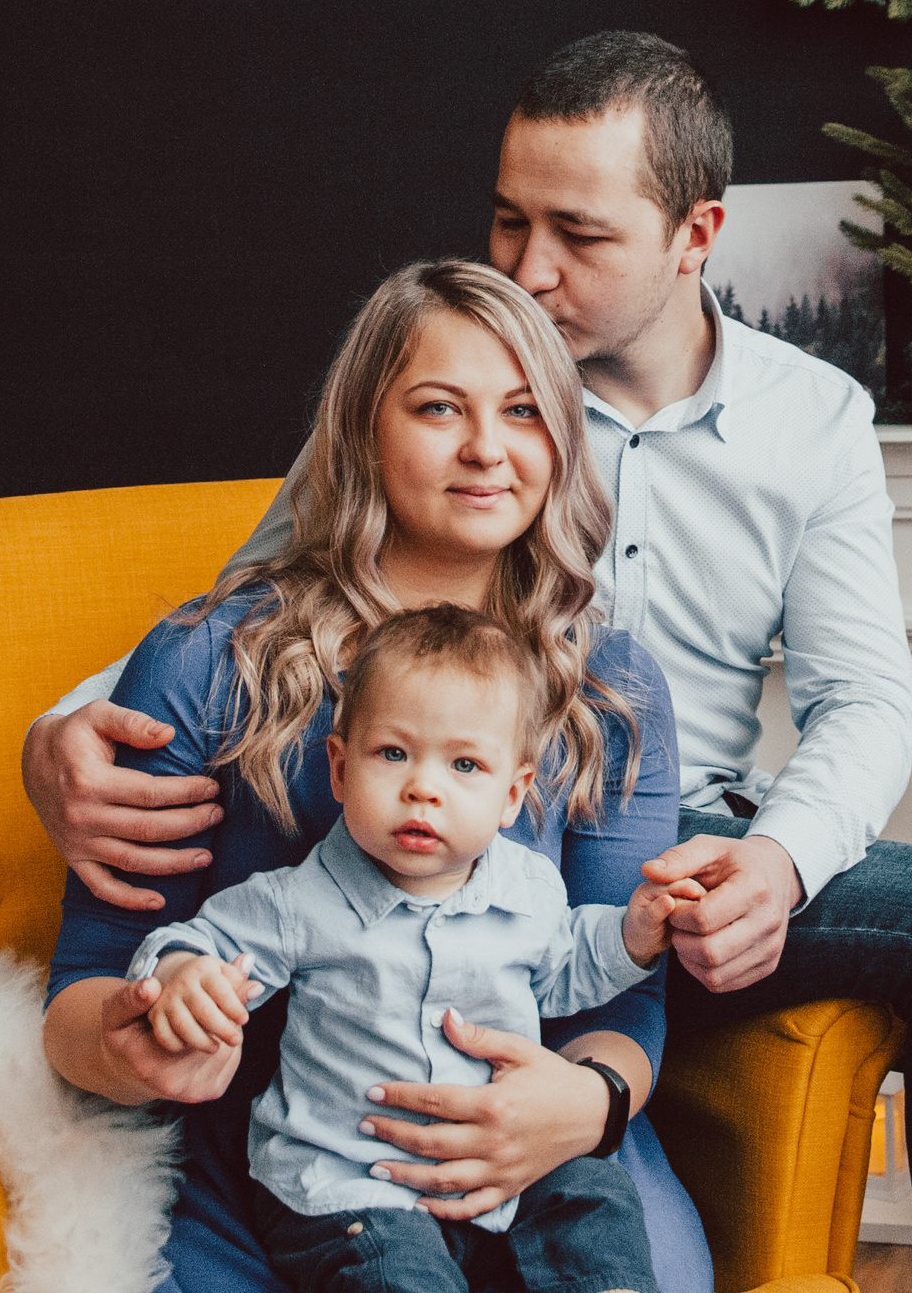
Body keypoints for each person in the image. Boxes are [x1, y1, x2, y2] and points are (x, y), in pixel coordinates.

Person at [30, 33, 912, 1293]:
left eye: (577, 236)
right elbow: (274, 603)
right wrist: (63, 724)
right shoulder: (459, 365)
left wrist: (777, 859)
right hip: (468, 839)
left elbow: (861, 700)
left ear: (695, 235)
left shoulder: (803, 424)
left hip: (669, 833)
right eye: (508, 221)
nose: (528, 269)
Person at [41, 259, 714, 1293]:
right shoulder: (211, 660)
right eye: (439, 407)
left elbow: (619, 989)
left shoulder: (611, 686)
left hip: (546, 1149)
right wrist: (138, 1043)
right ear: (360, 429)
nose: (488, 448)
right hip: (299, 1165)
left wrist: (586, 1105)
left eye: (525, 411)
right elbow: (84, 985)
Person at [133, 603, 697, 1293]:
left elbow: (565, 968)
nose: (423, 789)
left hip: (504, 1170)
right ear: (340, 769)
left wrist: (631, 937)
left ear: (511, 794)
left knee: (594, 1199)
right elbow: (199, 941)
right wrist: (186, 974)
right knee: (393, 1268)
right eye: (393, 754)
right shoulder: (298, 901)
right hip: (352, 1180)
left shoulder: (529, 889)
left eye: (464, 764)